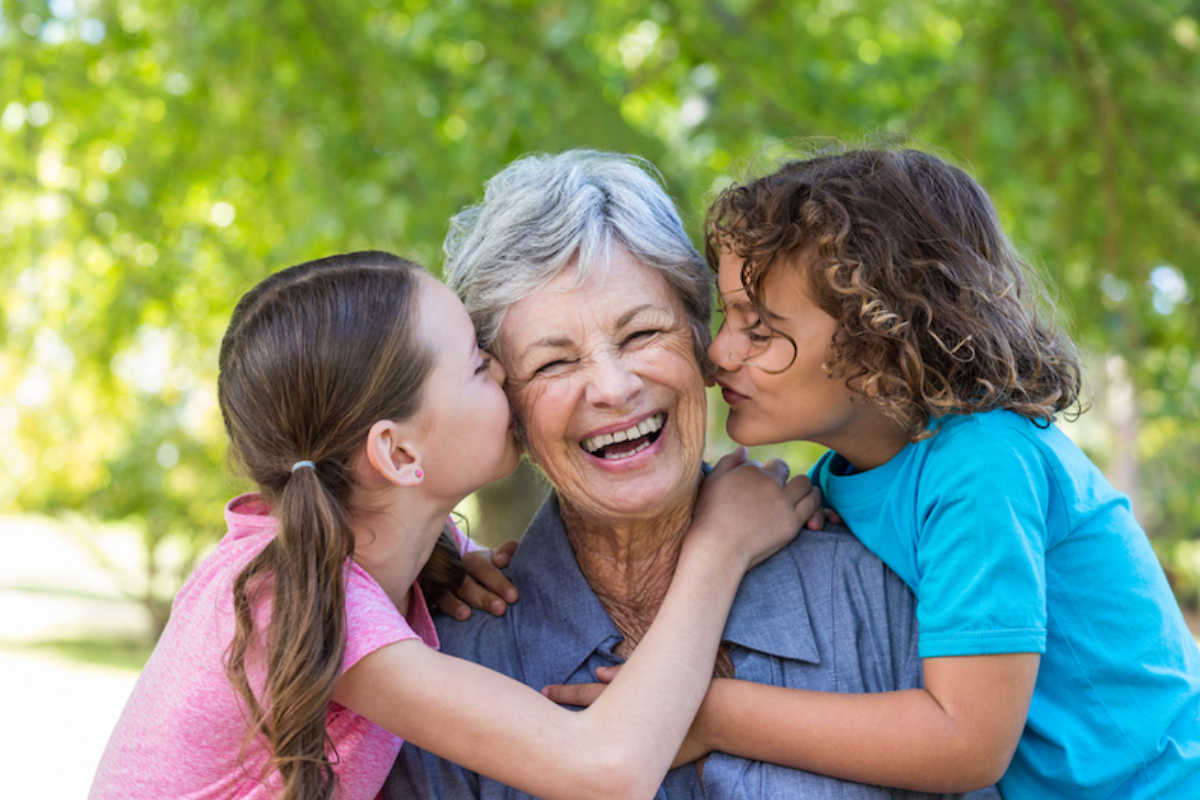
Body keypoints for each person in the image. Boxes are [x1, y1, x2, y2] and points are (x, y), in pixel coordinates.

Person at [88, 250, 819, 800]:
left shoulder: (353, 566)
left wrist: (446, 559)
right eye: (477, 365)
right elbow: (607, 768)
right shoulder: (299, 602)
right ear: (399, 452)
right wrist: (719, 548)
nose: (505, 374)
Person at [386, 150, 997, 800]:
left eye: (643, 332)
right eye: (555, 363)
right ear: (505, 408)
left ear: (704, 342)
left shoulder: (876, 588)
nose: (615, 388)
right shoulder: (449, 665)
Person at [691, 146, 1200, 797]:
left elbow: (965, 742)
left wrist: (711, 713)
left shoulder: (981, 461)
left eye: (758, 329)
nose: (717, 352)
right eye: (725, 317)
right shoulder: (840, 475)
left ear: (880, 342)